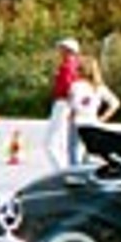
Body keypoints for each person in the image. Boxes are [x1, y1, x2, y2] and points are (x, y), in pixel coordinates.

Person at [68, 54, 120, 160]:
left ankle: (75, 173)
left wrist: (71, 115)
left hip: (78, 122)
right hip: (93, 121)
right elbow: (115, 103)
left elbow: (74, 105)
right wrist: (103, 118)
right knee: (89, 153)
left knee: (74, 151)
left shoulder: (76, 85)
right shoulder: (99, 87)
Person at [45, 37, 81, 170]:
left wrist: (72, 106)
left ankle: (61, 170)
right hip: (66, 104)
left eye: (62, 49)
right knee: (60, 141)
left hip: (63, 104)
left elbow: (68, 88)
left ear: (69, 51)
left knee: (50, 143)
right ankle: (63, 168)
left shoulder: (67, 67)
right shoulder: (74, 66)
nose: (59, 51)